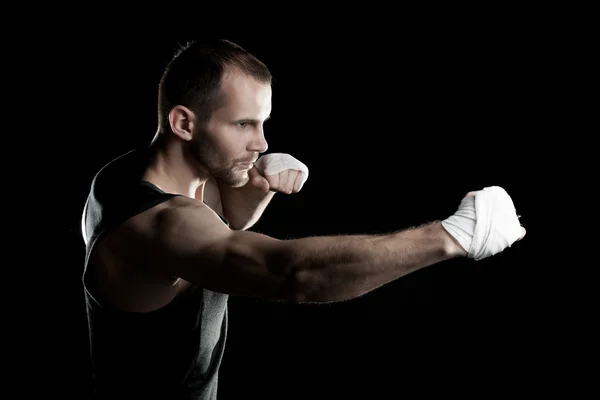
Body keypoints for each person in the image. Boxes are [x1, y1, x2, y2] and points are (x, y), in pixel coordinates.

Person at [81, 39, 526, 399]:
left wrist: (254, 193)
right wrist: (452, 236)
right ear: (183, 123)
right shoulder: (154, 226)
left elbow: (215, 228)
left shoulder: (124, 175)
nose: (261, 143)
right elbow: (292, 273)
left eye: (262, 123)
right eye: (243, 125)